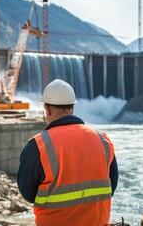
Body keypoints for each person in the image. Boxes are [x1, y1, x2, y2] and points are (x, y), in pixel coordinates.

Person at [17, 79, 119, 226]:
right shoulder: (103, 140)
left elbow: (27, 193)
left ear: (47, 109)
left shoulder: (38, 146)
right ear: (73, 108)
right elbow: (111, 186)